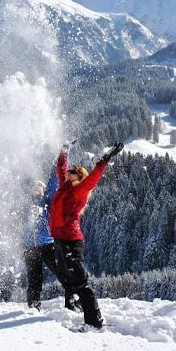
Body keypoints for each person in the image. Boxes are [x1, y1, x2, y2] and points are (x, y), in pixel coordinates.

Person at [50, 141, 124, 329]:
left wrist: (106, 158)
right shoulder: (64, 186)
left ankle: (95, 322)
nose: (68, 172)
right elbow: (60, 166)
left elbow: (94, 178)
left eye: (73, 171)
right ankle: (76, 306)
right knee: (65, 277)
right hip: (59, 239)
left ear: (78, 177)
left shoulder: (79, 191)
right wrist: (64, 149)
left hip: (70, 241)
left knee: (80, 281)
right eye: (69, 171)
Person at [22, 171, 72, 311]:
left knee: (63, 273)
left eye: (39, 186)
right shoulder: (25, 204)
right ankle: (33, 307)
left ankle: (72, 302)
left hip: (48, 245)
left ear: (43, 190)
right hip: (30, 247)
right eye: (34, 187)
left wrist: (56, 166)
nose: (36, 188)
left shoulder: (48, 203)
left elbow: (53, 184)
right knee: (34, 280)